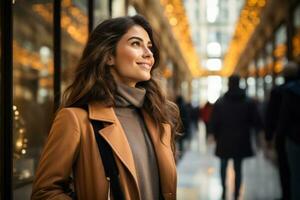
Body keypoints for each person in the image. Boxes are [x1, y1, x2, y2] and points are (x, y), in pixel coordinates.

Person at [31, 15, 180, 200]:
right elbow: (45, 192)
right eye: (136, 44)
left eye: (149, 46)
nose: (149, 54)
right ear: (109, 56)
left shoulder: (158, 118)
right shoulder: (76, 119)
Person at [210, 75, 262, 200]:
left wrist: (215, 135)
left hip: (224, 139)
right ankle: (237, 193)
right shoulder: (248, 101)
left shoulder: (220, 102)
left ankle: (224, 190)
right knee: (238, 168)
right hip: (241, 140)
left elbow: (214, 122)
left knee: (223, 166)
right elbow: (256, 121)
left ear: (228, 84)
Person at [265, 61, 299, 200]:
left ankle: (287, 195)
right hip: (291, 134)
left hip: (286, 136)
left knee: (285, 168)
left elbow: (272, 115)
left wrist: (269, 136)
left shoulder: (278, 91)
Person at [276, 62, 300, 200]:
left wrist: (276, 137)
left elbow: (284, 118)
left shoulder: (288, 92)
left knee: (294, 175)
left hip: (293, 138)